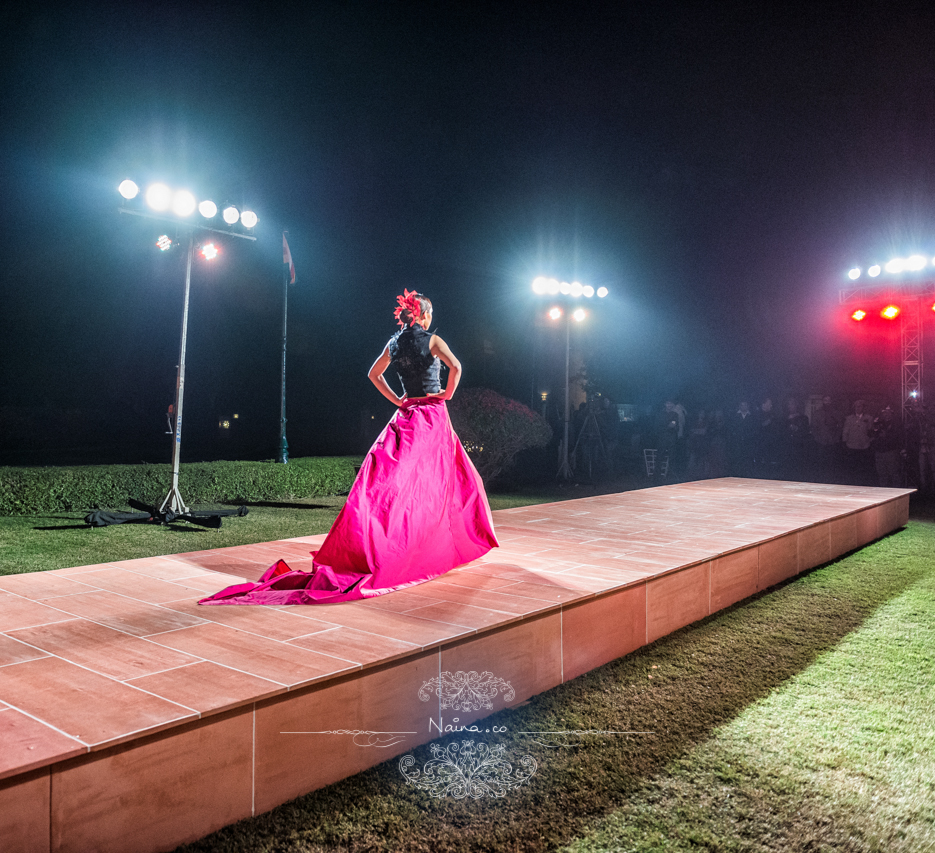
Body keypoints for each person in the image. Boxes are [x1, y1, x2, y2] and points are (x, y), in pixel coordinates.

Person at [200, 290, 499, 605]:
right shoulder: (433, 341)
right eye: (430, 313)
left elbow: (374, 374)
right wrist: (445, 394)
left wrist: (398, 400)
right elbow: (457, 367)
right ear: (423, 315)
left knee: (396, 480)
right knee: (444, 479)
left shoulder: (394, 344)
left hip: (408, 412)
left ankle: (406, 541)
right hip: (431, 414)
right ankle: (426, 545)